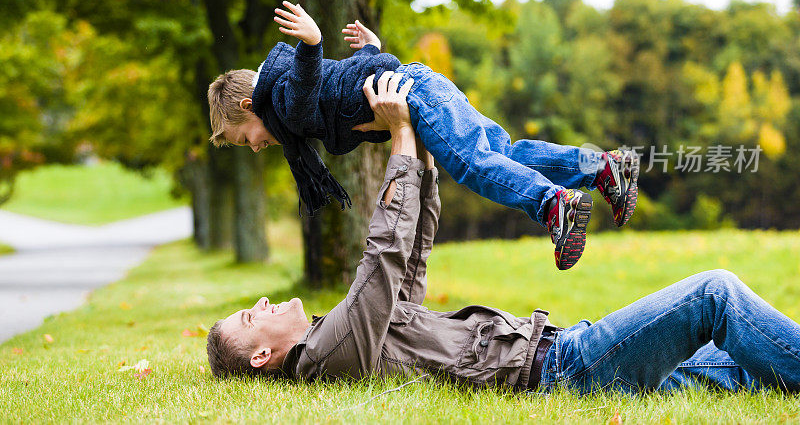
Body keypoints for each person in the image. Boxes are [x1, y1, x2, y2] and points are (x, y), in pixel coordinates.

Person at [205, 76, 800, 393]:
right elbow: (382, 263)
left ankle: (595, 169)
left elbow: (406, 271)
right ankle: (566, 193)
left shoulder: (344, 338)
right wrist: (403, 145)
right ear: (263, 357)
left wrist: (426, 163)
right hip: (563, 368)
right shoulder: (328, 354)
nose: (261, 304)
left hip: (563, 346)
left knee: (744, 367)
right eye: (251, 317)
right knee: (714, 295)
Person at [207, 1, 640, 270]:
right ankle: (605, 168)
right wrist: (372, 50)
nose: (257, 146)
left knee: (473, 166)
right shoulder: (284, 102)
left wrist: (312, 43)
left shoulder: (281, 100)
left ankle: (552, 206)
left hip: (418, 97)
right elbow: (342, 82)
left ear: (249, 108)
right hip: (422, 83)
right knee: (504, 152)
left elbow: (304, 90)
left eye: (247, 139)